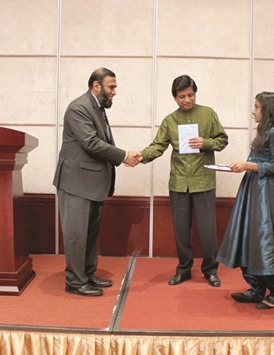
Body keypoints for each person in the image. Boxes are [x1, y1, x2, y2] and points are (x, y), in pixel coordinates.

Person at [53, 67, 141, 297]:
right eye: (111, 87)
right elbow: (91, 143)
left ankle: (87, 274)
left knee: (89, 234)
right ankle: (74, 281)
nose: (114, 92)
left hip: (90, 184)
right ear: (96, 86)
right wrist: (123, 156)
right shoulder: (79, 108)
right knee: (76, 234)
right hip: (76, 184)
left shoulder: (96, 107)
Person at [140, 75, 228, 287]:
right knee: (181, 230)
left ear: (195, 94)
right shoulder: (170, 121)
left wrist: (206, 143)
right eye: (182, 97)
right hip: (179, 182)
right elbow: (158, 146)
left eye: (190, 95)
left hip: (203, 181)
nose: (187, 100)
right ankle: (184, 269)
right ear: (175, 98)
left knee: (207, 230)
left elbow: (223, 140)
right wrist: (141, 156)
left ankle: (210, 270)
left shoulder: (208, 114)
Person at [217, 91, 274, 309]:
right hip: (254, 189)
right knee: (249, 237)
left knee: (264, 239)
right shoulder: (264, 132)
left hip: (266, 193)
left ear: (267, 110)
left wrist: (248, 165)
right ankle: (257, 288)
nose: (253, 110)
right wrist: (243, 166)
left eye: (257, 107)